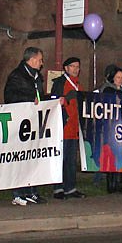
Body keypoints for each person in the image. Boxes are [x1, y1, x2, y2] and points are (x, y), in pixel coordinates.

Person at [3, 46, 49, 205]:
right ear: (32, 59)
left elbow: (40, 97)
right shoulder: (17, 76)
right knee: (20, 158)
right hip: (20, 122)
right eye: (40, 60)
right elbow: (10, 97)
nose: (42, 63)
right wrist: (29, 99)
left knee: (33, 157)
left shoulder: (37, 77)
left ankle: (32, 191)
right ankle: (18, 193)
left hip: (33, 122)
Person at [48, 57, 86, 199]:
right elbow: (53, 100)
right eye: (73, 66)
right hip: (63, 127)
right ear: (66, 68)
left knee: (71, 160)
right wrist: (64, 100)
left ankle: (70, 187)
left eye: (78, 66)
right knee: (61, 159)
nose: (76, 69)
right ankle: (58, 188)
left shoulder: (78, 84)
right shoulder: (60, 83)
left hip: (74, 128)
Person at [97, 64, 122, 193]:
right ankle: (110, 184)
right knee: (111, 154)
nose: (120, 80)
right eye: (118, 77)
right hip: (110, 127)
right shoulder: (107, 90)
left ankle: (119, 183)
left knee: (121, 154)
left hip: (121, 128)